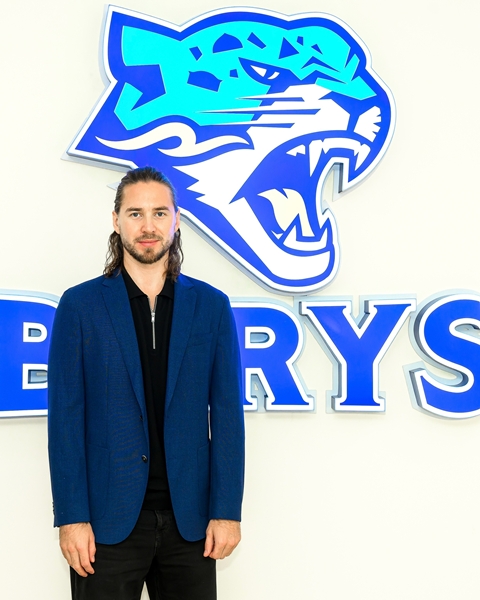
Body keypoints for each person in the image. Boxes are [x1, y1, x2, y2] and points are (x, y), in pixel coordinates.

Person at [48, 166, 245, 600]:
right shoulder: (80, 306)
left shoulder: (211, 307)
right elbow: (65, 420)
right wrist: (72, 517)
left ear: (177, 220)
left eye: (160, 213)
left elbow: (228, 415)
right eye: (135, 213)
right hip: (106, 524)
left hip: (191, 524)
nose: (148, 226)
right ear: (116, 221)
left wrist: (226, 511)